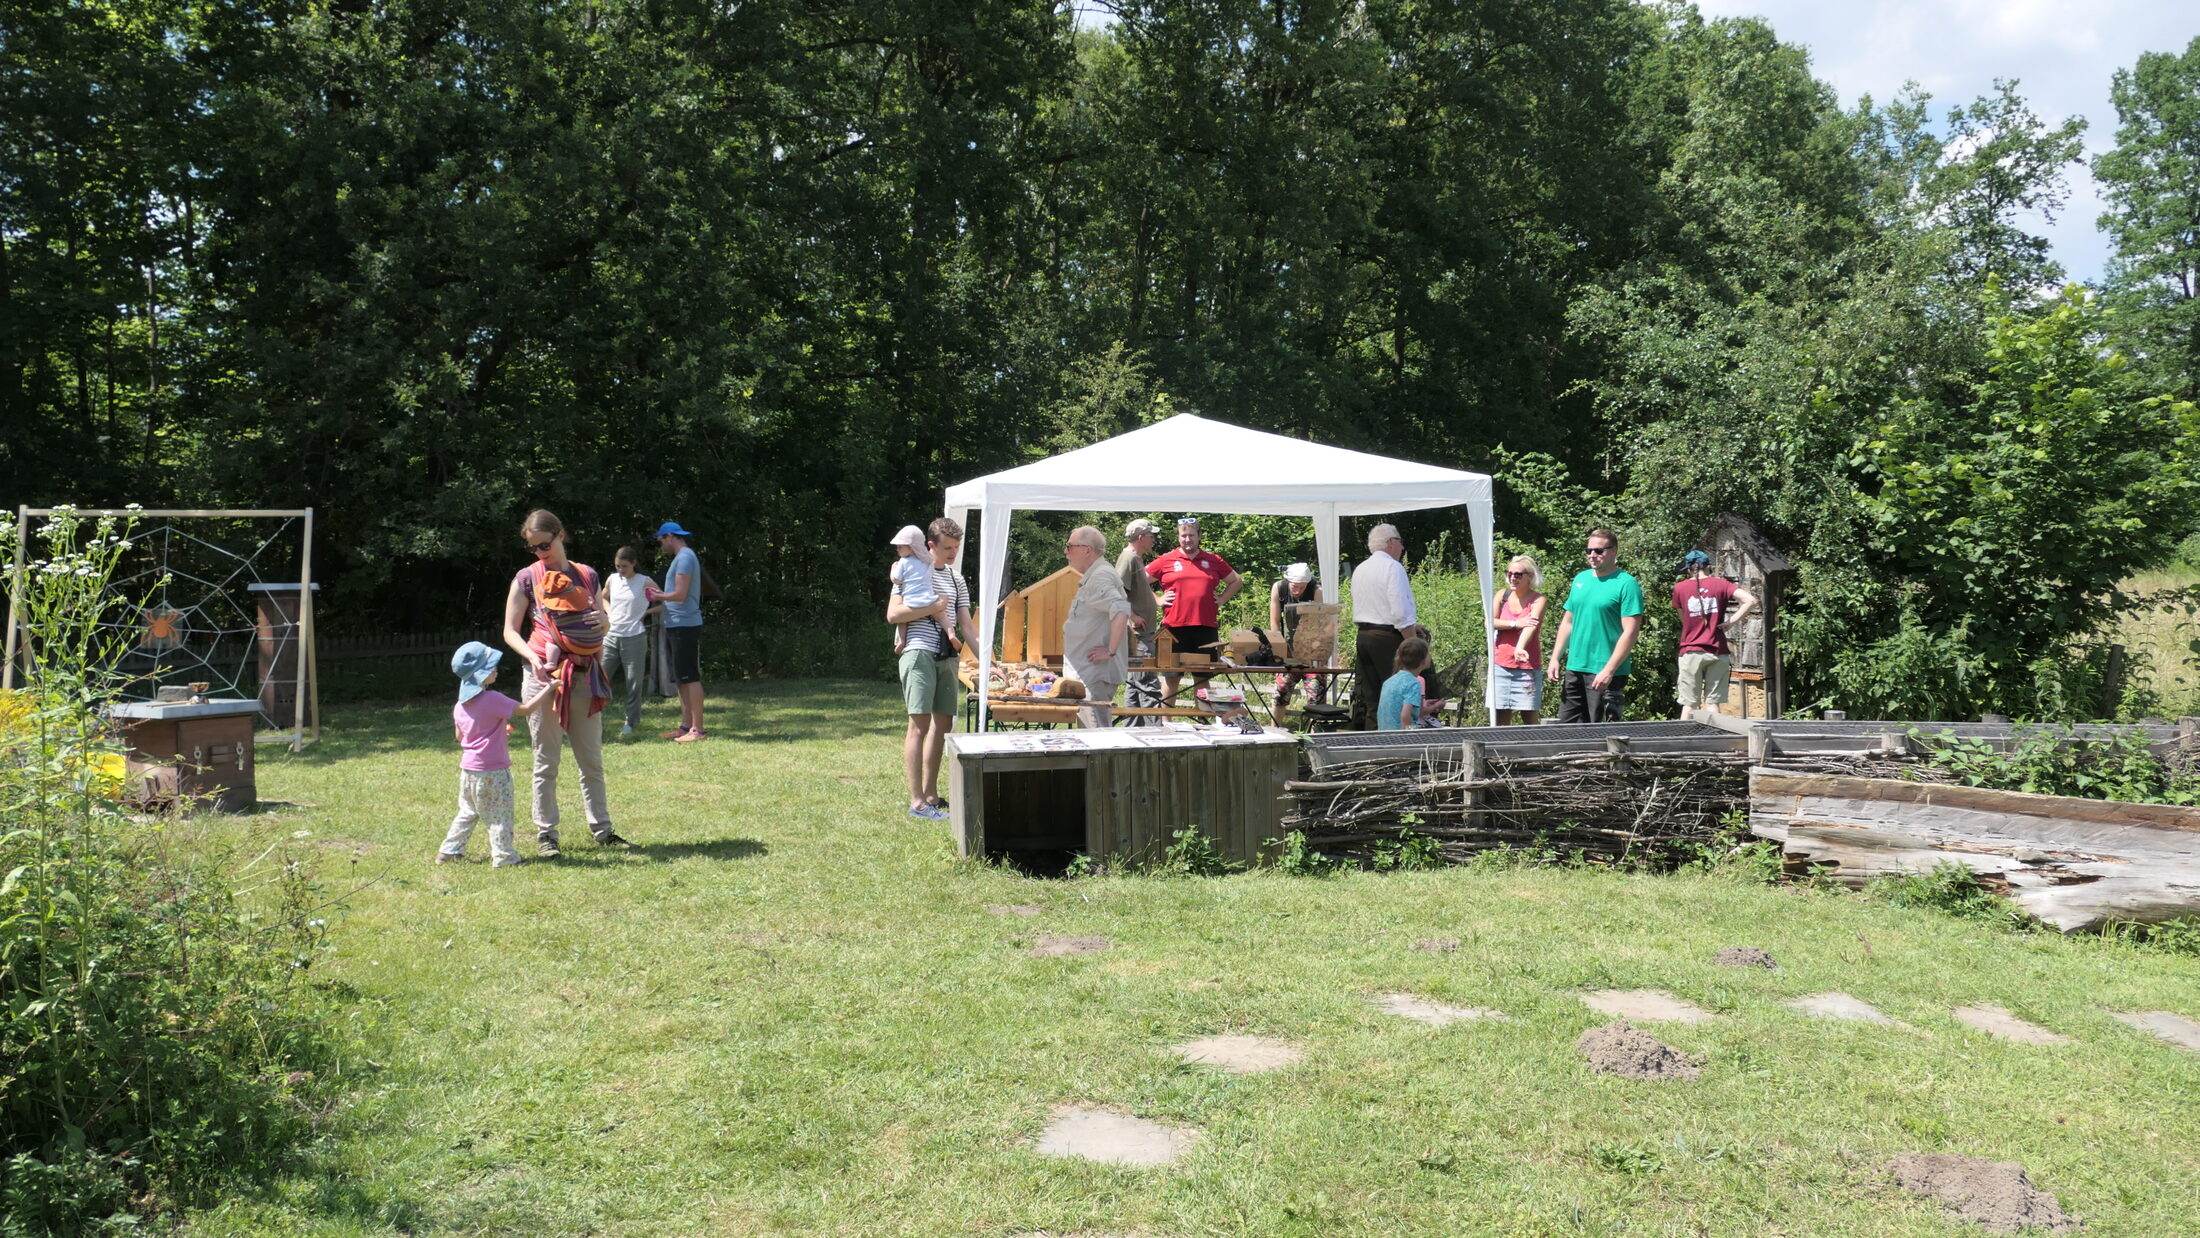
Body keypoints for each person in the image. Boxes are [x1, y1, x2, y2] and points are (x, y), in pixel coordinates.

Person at [502, 509, 631, 857]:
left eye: (544, 545)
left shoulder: (587, 574)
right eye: (533, 548)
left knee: (591, 759)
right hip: (544, 679)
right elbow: (510, 630)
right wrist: (532, 658)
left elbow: (604, 625)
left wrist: (600, 621)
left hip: (585, 675)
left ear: (560, 535)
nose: (540, 553)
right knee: (546, 760)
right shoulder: (527, 578)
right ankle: (547, 835)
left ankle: (603, 830)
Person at [885, 516, 978, 820]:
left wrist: (992, 662)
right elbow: (894, 614)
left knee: (944, 725)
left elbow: (967, 626)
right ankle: (917, 803)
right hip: (919, 652)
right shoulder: (911, 570)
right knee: (919, 726)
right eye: (947, 547)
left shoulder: (957, 579)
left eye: (956, 547)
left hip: (948, 657)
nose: (952, 553)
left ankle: (931, 794)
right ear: (930, 546)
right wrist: (933, 608)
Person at [437, 641, 549, 867]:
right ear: (481, 675)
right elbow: (525, 710)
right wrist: (550, 689)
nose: (496, 670)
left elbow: (462, 736)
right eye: (491, 668)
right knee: (500, 814)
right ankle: (505, 857)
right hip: (493, 771)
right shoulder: (494, 699)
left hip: (468, 770)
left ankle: (449, 851)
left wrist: (497, 731)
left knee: (468, 811)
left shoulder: (460, 705)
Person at [1545, 527, 1643, 723]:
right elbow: (1568, 621)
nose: (1592, 555)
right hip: (1576, 666)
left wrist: (1609, 670)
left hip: (1604, 670)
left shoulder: (1626, 583)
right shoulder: (1581, 579)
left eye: (1599, 551)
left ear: (1614, 551)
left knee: (1600, 734)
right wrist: (1555, 657)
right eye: (1588, 550)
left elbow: (1630, 632)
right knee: (1568, 728)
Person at [1146, 516, 1241, 702]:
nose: (1187, 539)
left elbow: (1236, 581)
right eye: (1183, 536)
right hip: (1173, 628)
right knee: (1172, 678)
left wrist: (1221, 599)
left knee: (1202, 679)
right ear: (1178, 537)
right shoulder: (1166, 559)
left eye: (1191, 535)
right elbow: (1139, 580)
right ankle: (1166, 723)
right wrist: (1157, 599)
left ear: (1199, 536)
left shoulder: (1213, 560)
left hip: (1205, 627)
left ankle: (1204, 721)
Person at [1350, 524, 1423, 730]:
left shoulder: (1360, 568)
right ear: (1390, 542)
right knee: (1397, 694)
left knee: (1372, 698)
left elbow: (1374, 605)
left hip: (1364, 636)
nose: (1402, 547)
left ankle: (1373, 744)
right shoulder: (1393, 567)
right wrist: (1413, 642)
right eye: (1400, 542)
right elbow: (1399, 611)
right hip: (1386, 638)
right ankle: (1395, 743)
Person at [1062, 526, 1134, 728]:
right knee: (1091, 739)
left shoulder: (1100, 576)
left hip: (1094, 675)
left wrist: (1110, 651)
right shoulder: (1097, 574)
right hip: (1088, 674)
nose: (1066, 552)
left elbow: (1121, 609)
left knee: (1096, 740)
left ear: (1087, 549)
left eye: (1070, 546)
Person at [1673, 549, 1759, 714]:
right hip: (1717, 650)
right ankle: (1713, 739)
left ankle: (1684, 739)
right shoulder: (1722, 584)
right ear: (1708, 567)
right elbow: (1751, 600)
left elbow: (1684, 620)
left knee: (1689, 704)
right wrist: (1731, 622)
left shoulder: (1679, 588)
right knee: (1713, 704)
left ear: (1690, 569)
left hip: (1690, 650)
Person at [647, 521, 706, 741]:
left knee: (690, 677)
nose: (660, 544)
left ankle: (698, 730)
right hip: (676, 624)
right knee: (681, 678)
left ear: (670, 536)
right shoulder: (680, 559)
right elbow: (672, 600)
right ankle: (686, 726)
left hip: (685, 625)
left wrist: (656, 594)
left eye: (661, 540)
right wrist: (647, 610)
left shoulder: (685, 557)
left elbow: (680, 595)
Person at [600, 547, 659, 737]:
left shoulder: (644, 581)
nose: (620, 570)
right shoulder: (612, 579)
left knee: (633, 683)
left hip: (634, 638)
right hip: (610, 636)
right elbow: (602, 597)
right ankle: (592, 720)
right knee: (600, 679)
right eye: (617, 566)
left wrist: (645, 614)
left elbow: (664, 600)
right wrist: (608, 613)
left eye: (624, 566)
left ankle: (631, 722)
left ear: (634, 563)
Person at [1492, 555, 1548, 725]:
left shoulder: (1539, 600)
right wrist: (1515, 623)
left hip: (1527, 666)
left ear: (1530, 576)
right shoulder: (1502, 595)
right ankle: (1500, 750)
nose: (1512, 578)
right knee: (1500, 716)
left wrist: (1519, 647)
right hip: (1500, 664)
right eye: (1509, 573)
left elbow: (1531, 625)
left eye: (1517, 574)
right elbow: (1490, 622)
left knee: (1530, 715)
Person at [1267, 562, 1324, 726]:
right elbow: (1275, 621)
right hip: (1288, 648)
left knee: (1315, 693)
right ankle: (1274, 729)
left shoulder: (1316, 591)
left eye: (1301, 587)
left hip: (1312, 648)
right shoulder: (1279, 588)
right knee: (1281, 691)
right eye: (1294, 586)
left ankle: (1315, 733)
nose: (1297, 590)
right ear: (1288, 581)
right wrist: (1279, 649)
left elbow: (1319, 623)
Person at [1117, 518, 1163, 716]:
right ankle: (1154, 730)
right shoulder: (1129, 558)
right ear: (1141, 537)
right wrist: (1133, 616)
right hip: (1137, 634)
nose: (1154, 540)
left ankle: (1132, 728)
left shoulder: (1136, 558)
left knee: (1136, 684)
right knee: (1147, 681)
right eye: (1151, 536)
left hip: (1142, 632)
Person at [888, 524, 946, 656]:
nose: (897, 549)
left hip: (911, 601)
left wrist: (893, 569)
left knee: (902, 619)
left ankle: (902, 640)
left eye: (900, 546)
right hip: (928, 599)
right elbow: (930, 577)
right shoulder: (928, 561)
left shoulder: (903, 561)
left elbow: (897, 580)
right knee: (942, 615)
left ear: (911, 547)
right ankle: (951, 632)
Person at [1377, 636, 1433, 731]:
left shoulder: (1389, 681)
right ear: (1423, 661)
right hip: (1400, 738)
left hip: (1383, 734)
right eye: (1428, 654)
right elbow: (1405, 715)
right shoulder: (1414, 684)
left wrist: (1434, 707)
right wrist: (1407, 738)